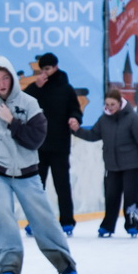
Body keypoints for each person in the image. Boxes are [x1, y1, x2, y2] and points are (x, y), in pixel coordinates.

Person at [0, 56, 78, 274]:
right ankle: (8, 267)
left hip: (27, 172)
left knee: (43, 219)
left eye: (5, 78)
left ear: (12, 78)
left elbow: (36, 139)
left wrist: (12, 122)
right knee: (2, 219)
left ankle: (65, 264)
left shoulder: (29, 103)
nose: (1, 83)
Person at [69, 88, 138, 238]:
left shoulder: (132, 118)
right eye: (107, 104)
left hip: (132, 165)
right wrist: (76, 130)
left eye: (112, 104)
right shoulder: (104, 120)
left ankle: (132, 224)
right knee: (111, 196)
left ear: (119, 103)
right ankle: (107, 225)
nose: (109, 107)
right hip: (112, 165)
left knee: (131, 196)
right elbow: (93, 135)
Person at [23, 52, 83, 235]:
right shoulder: (36, 88)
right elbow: (22, 103)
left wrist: (74, 118)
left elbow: (75, 109)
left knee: (62, 184)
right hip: (39, 146)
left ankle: (67, 220)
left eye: (47, 69)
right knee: (36, 187)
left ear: (55, 67)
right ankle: (34, 221)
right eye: (42, 69)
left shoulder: (66, 88)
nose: (44, 73)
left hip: (59, 145)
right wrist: (36, 87)